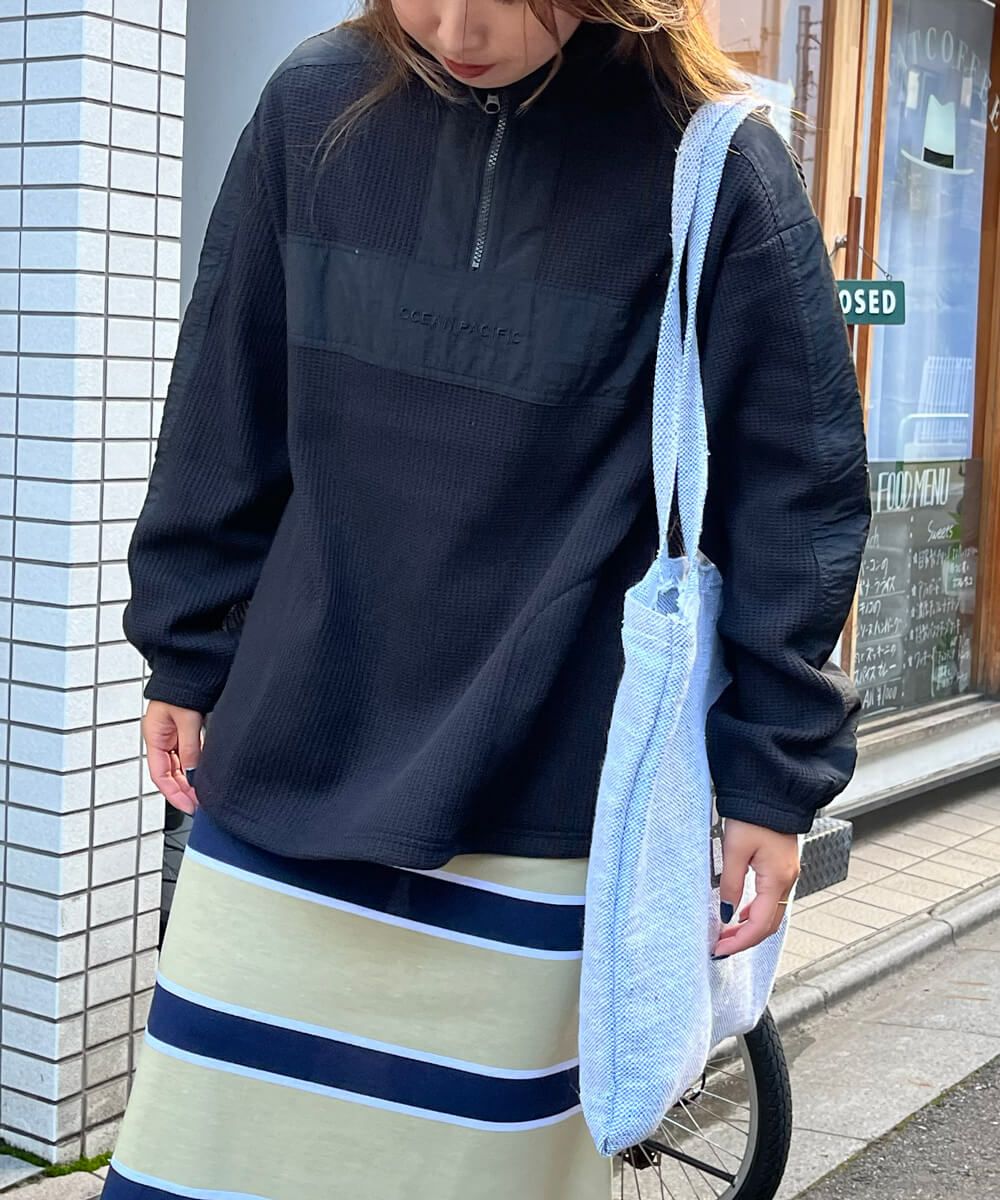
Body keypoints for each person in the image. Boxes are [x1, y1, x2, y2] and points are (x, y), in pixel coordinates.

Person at [103, 0, 871, 1196]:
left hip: (546, 808)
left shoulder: (709, 159)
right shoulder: (313, 104)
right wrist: (186, 648)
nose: (456, 25)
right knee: (209, 1169)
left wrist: (772, 775)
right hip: (285, 770)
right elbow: (226, 394)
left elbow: (795, 493)